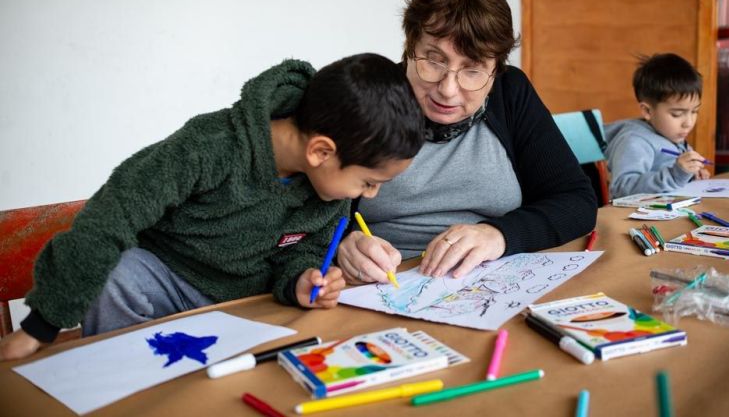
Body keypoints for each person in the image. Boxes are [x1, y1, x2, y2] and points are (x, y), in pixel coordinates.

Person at [0, 53, 425, 361]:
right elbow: (111, 215)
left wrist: (300, 280)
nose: (369, 196)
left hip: (248, 312)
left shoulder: (330, 188)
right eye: (369, 182)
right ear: (320, 151)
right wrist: (42, 324)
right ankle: (120, 380)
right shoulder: (208, 148)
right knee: (118, 276)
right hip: (170, 282)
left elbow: (303, 249)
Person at [336, 0, 597, 285]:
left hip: (492, 281)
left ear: (496, 71)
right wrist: (341, 242)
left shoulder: (509, 92)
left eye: (472, 70)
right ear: (410, 47)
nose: (448, 89)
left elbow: (576, 201)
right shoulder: (367, 95)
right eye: (433, 60)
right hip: (382, 285)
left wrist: (498, 235)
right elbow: (300, 215)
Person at [604, 53, 711, 199]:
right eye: (677, 114)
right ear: (647, 111)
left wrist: (691, 174)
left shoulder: (670, 134)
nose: (688, 122)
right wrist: (675, 175)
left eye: (695, 111)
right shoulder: (634, 141)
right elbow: (621, 188)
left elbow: (672, 176)